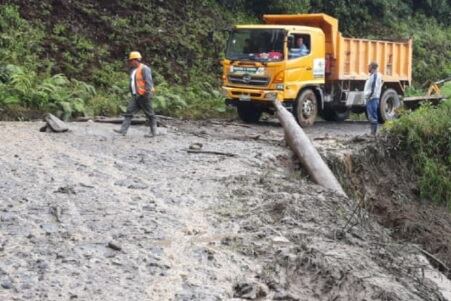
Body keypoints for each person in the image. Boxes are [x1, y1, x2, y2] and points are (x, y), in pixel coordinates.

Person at [114, 51, 157, 137]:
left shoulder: (145, 69)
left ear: (136, 60)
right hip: (136, 96)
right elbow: (133, 83)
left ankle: (153, 132)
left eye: (131, 60)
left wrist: (147, 93)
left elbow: (149, 82)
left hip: (144, 95)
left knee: (150, 114)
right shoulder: (133, 70)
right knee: (129, 112)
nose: (130, 62)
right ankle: (123, 130)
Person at [364, 62, 383, 136]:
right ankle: (373, 132)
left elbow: (373, 88)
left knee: (373, 115)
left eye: (369, 66)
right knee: (371, 115)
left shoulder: (375, 76)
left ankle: (373, 133)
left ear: (372, 67)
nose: (368, 68)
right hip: (372, 98)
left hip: (372, 98)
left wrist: (369, 97)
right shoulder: (372, 75)